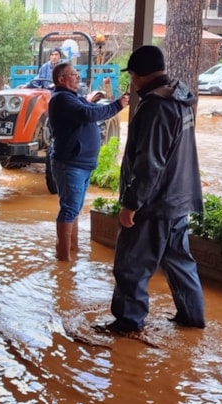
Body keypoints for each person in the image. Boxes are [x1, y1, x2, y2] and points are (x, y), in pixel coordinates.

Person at [98, 45, 206, 334]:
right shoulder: (179, 97)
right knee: (179, 263)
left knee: (131, 265)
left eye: (133, 75)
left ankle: (127, 324)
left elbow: (150, 162)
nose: (132, 81)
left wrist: (131, 204)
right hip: (179, 199)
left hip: (155, 203)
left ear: (140, 74)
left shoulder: (155, 106)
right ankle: (192, 318)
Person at [48, 62, 129, 261]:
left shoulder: (73, 98)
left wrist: (112, 103)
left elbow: (92, 108)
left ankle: (72, 250)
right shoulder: (62, 99)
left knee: (73, 208)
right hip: (71, 163)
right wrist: (118, 105)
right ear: (61, 79)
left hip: (80, 163)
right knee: (70, 209)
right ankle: (63, 257)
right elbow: (89, 113)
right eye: (73, 74)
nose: (77, 77)